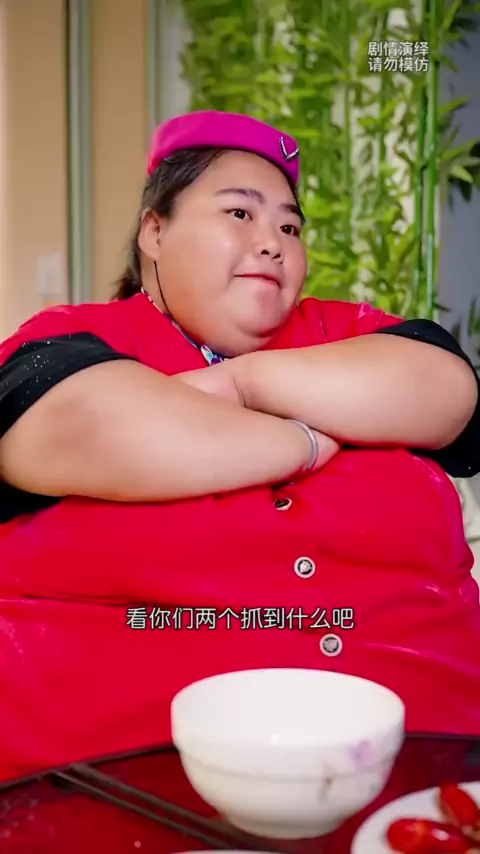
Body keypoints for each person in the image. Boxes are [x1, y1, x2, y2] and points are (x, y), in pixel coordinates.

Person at [0, 109, 479, 784]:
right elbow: (87, 427)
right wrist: (303, 440)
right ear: (154, 232)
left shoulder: (348, 330)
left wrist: (240, 382)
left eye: (289, 227)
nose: (273, 243)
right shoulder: (73, 339)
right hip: (115, 782)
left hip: (427, 764)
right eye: (239, 213)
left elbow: (449, 392)